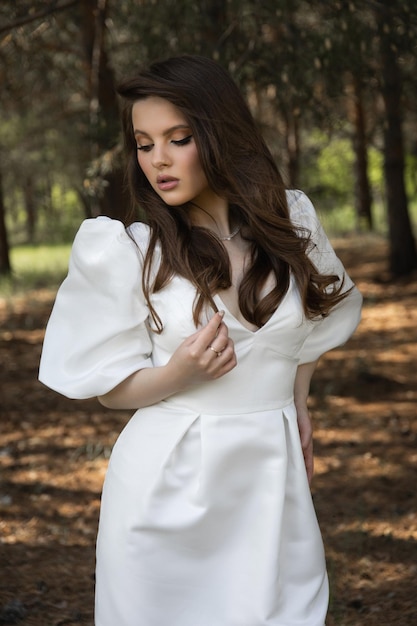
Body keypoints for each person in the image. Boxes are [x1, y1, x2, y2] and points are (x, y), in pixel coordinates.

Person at [39, 54, 362, 626]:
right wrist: (177, 375)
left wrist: (298, 402)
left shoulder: (292, 221)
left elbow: (313, 324)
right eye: (143, 143)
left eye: (177, 138)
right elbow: (106, 387)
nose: (157, 160)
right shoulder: (133, 251)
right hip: (165, 491)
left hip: (270, 482)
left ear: (218, 133)